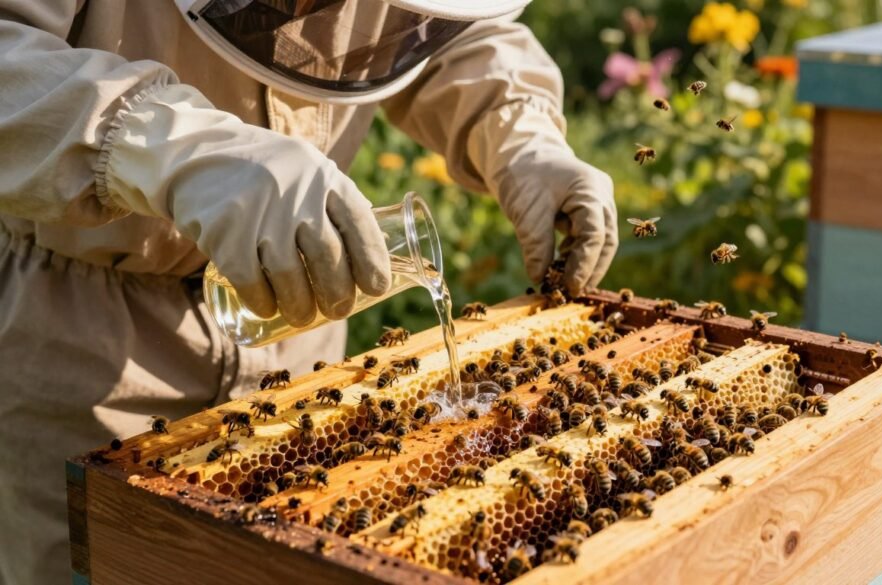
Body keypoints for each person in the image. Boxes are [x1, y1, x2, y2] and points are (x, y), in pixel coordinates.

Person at [0, 0, 618, 582]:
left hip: (307, 319)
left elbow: (439, 26)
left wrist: (522, 138)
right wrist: (174, 151)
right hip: (86, 344)